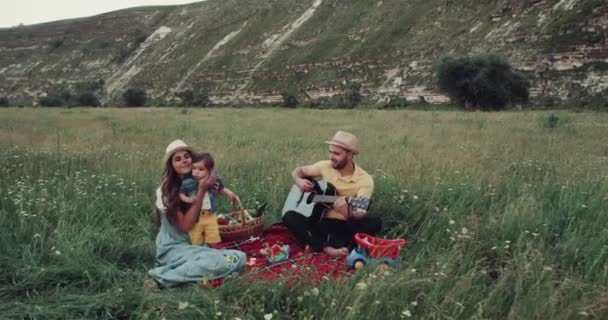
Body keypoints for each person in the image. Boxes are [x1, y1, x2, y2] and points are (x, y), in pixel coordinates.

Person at [147, 139, 246, 288]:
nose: (184, 161)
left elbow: (216, 188)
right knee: (217, 261)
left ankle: (193, 276)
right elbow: (185, 226)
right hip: (174, 247)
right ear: (171, 165)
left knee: (239, 257)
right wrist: (201, 192)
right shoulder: (166, 191)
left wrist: (224, 191)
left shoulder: (197, 179)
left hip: (197, 243)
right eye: (177, 159)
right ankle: (160, 278)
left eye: (186, 156)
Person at [282, 131, 382, 256]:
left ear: (350, 155)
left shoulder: (365, 180)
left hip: (343, 224)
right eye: (330, 152)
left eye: (336, 153)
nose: (331, 156)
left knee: (374, 223)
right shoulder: (325, 166)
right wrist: (299, 181)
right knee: (289, 215)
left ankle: (314, 242)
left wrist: (345, 211)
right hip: (318, 220)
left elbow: (359, 214)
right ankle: (328, 248)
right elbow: (299, 171)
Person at [179, 152, 237, 246]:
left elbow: (220, 189)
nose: (196, 172)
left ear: (209, 170)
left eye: (201, 169)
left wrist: (227, 192)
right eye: (194, 168)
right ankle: (198, 252)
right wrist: (187, 199)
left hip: (210, 215)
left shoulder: (213, 180)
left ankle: (212, 251)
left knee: (212, 237)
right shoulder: (188, 182)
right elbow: (180, 193)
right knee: (195, 239)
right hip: (196, 217)